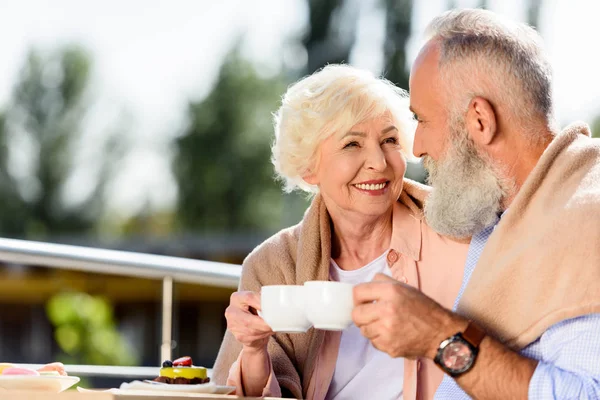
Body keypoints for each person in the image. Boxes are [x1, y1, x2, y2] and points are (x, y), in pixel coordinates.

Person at [352, 8, 600, 400]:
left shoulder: (588, 220)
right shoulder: (498, 214)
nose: (416, 147)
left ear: (480, 121)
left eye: (422, 120)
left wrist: (436, 335)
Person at [212, 64, 470, 399]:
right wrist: (253, 350)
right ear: (308, 168)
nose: (378, 161)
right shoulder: (272, 265)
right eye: (352, 144)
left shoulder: (458, 234)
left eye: (390, 140)